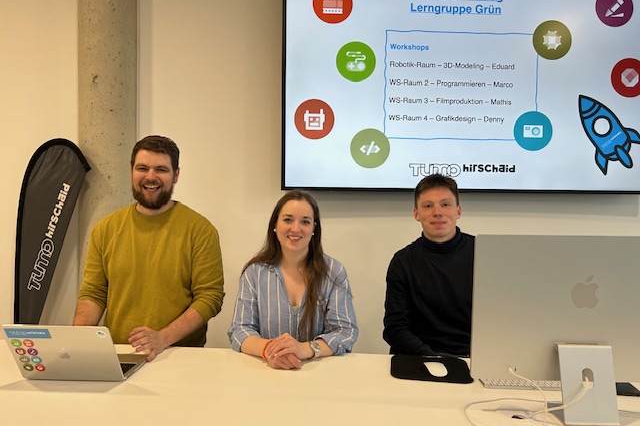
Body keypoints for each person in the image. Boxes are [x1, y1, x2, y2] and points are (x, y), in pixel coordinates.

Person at [73, 135, 224, 361]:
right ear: (131, 171)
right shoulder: (105, 229)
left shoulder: (200, 230)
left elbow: (210, 298)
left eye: (161, 169)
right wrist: (79, 340)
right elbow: (94, 292)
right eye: (142, 168)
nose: (150, 177)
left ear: (176, 175)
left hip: (179, 356)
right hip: (119, 354)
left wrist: (163, 337)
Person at [227, 190, 358, 369]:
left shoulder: (334, 272)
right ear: (275, 224)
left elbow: (345, 332)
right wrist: (270, 351)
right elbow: (240, 330)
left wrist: (305, 349)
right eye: (288, 220)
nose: (295, 229)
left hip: (320, 372)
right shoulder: (254, 273)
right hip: (268, 371)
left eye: (305, 221)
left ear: (314, 228)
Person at [383, 173, 474, 357]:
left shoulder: (482, 254)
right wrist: (433, 358)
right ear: (416, 214)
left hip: (473, 358)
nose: (437, 212)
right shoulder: (402, 261)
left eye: (445, 204)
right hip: (420, 358)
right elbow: (395, 328)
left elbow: (500, 318)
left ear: (458, 211)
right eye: (428, 206)